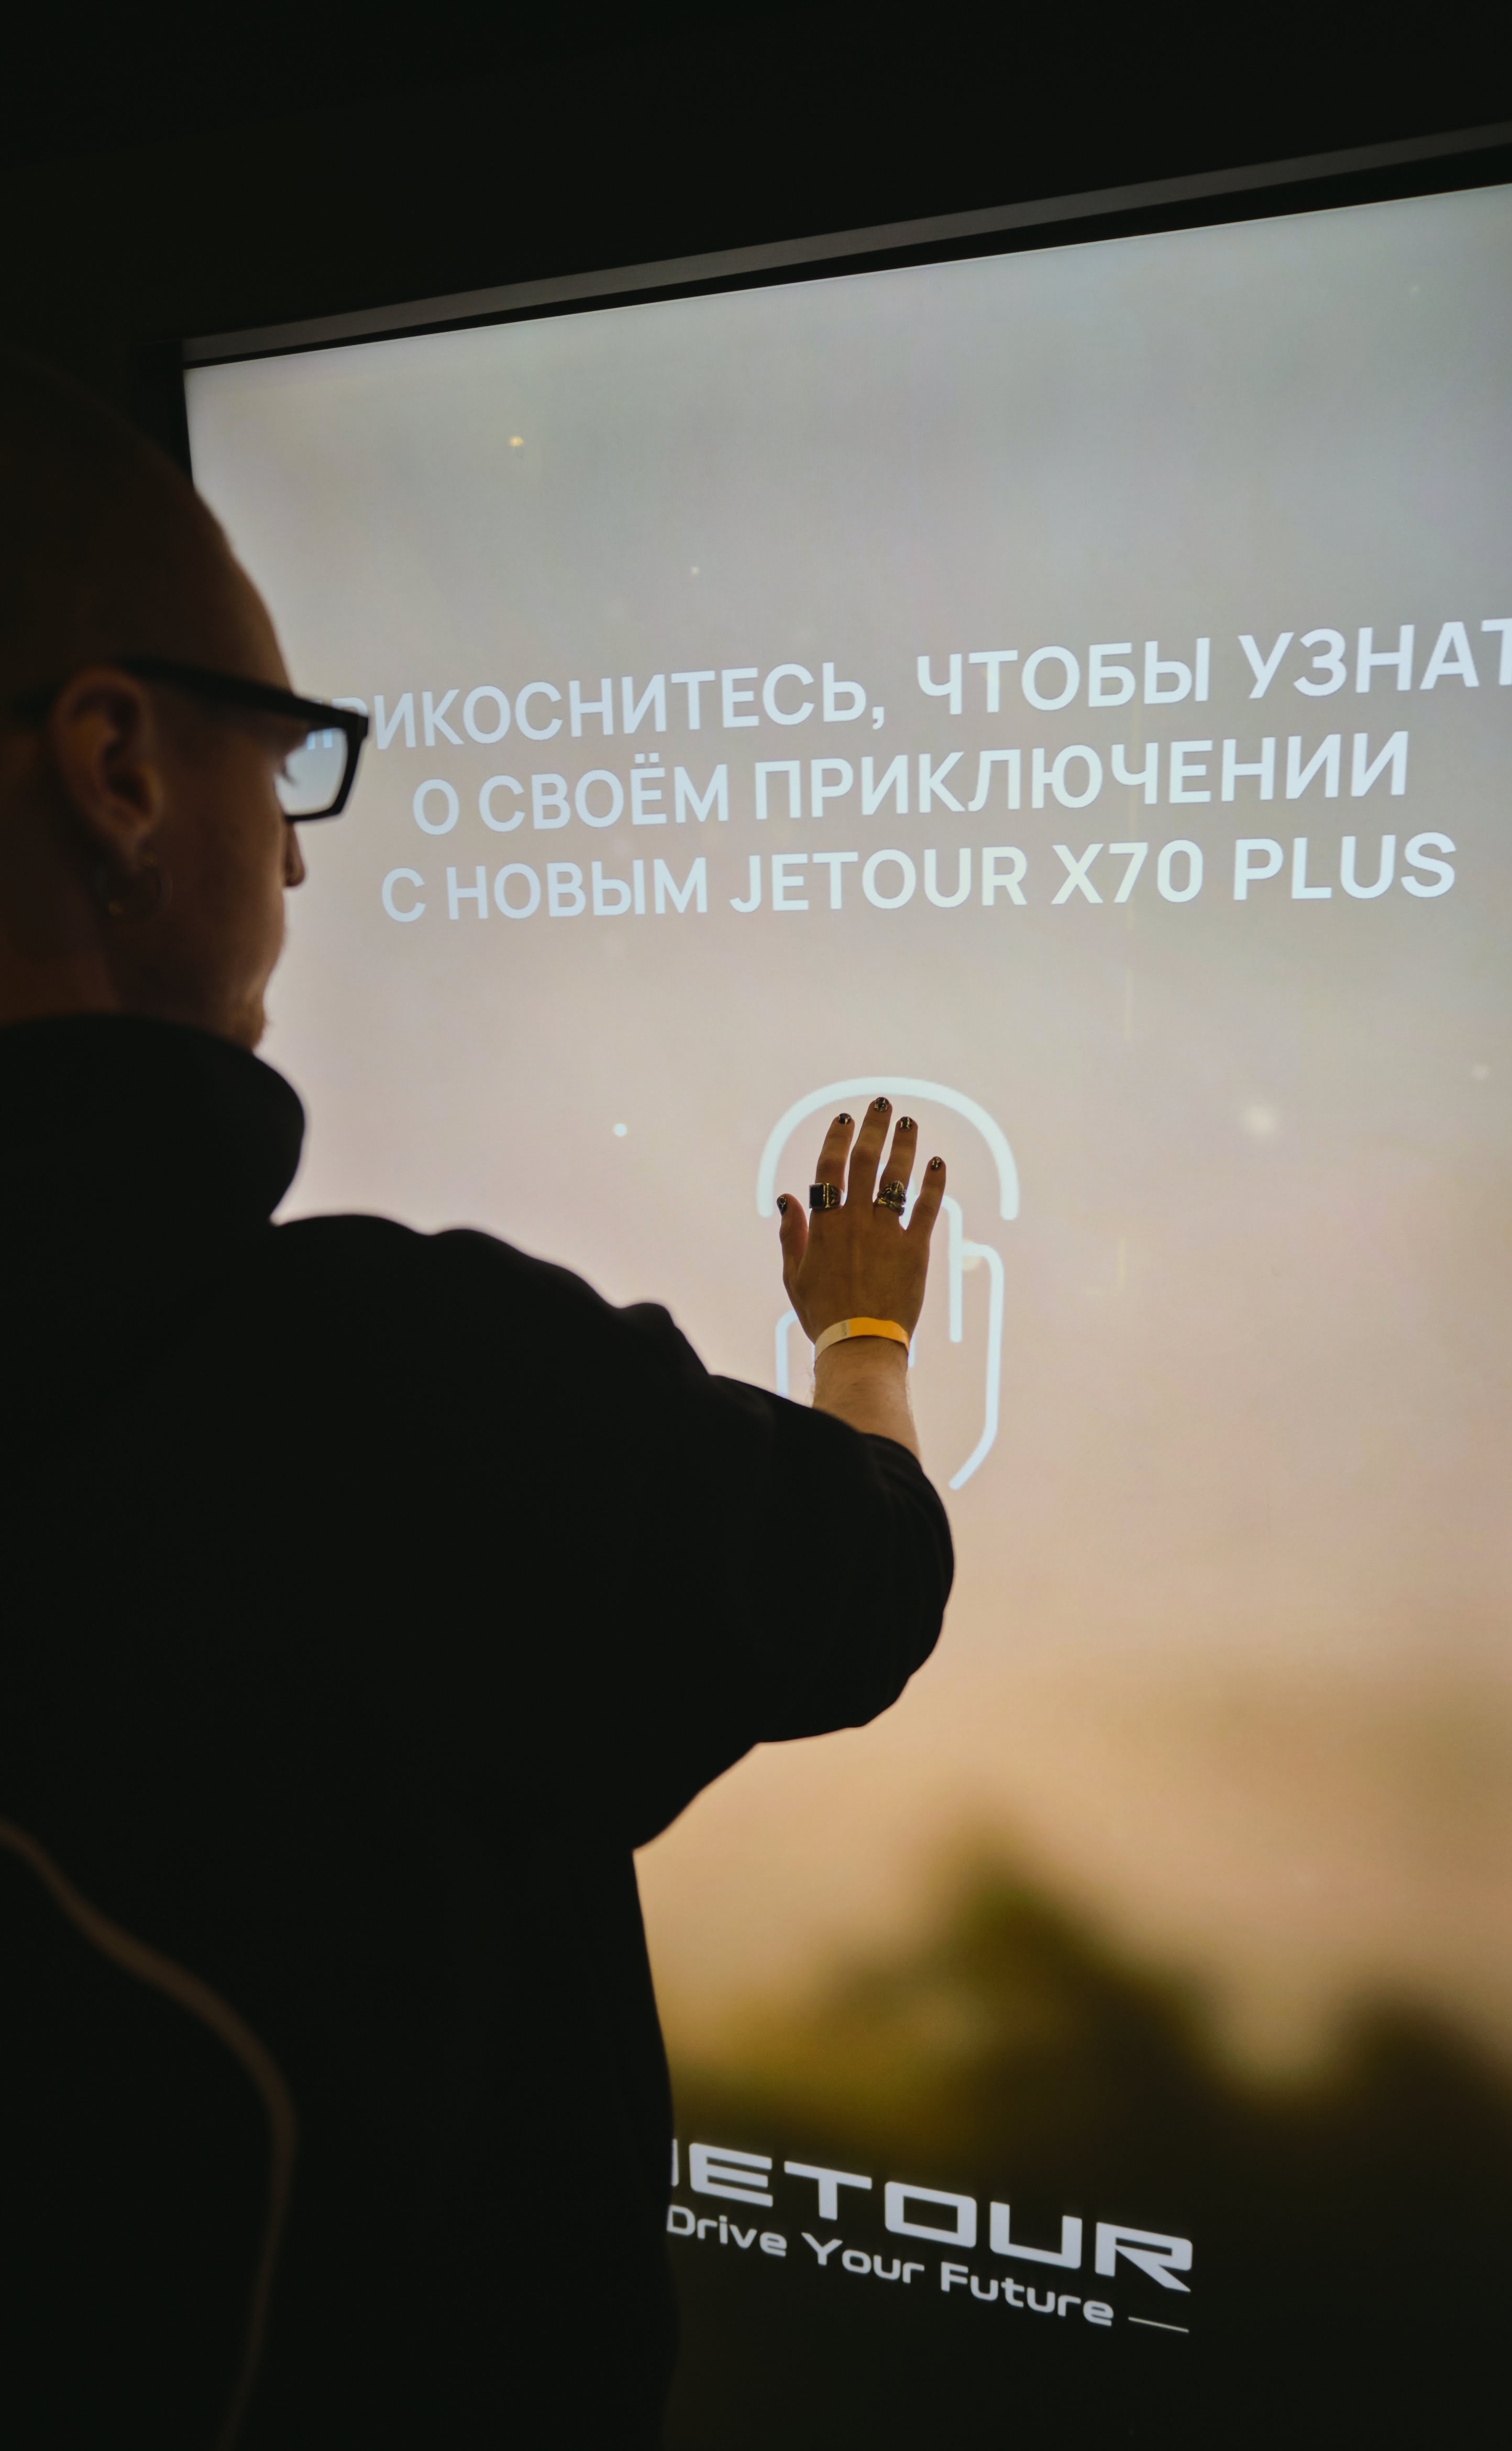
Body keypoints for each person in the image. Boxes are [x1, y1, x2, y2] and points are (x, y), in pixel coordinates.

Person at [0, 350, 953, 2449]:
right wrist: (864, 1340)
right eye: (285, 755)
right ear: (119, 767)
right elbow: (864, 1577)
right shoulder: (385, 1395)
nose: (298, 859)